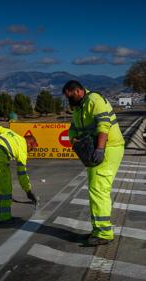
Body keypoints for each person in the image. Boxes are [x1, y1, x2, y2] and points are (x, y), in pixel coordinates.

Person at [62, 80, 125, 246]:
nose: (69, 101)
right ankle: (98, 230)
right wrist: (74, 140)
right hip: (97, 148)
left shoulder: (94, 101)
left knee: (99, 189)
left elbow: (104, 126)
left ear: (78, 91)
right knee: (94, 189)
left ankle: (104, 233)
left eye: (70, 96)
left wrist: (100, 149)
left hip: (109, 148)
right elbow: (73, 127)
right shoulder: (79, 106)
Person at [0, 123, 38, 222]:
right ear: (29, 143)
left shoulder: (10, 132)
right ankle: (5, 217)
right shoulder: (22, 149)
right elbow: (21, 173)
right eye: (31, 149)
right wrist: (28, 190)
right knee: (6, 189)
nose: (30, 152)